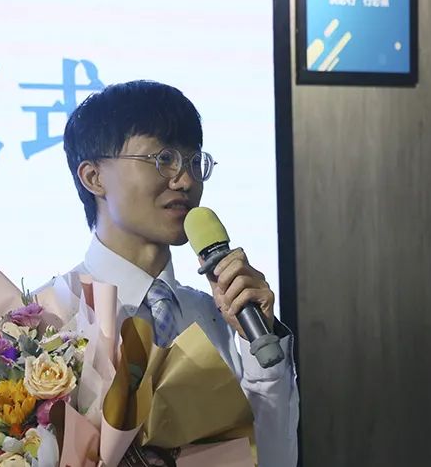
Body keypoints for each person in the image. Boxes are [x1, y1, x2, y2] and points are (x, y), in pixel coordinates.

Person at [55, 80, 299, 466]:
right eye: (163, 158)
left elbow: (273, 460)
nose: (185, 180)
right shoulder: (50, 318)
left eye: (193, 161)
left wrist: (260, 352)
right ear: (93, 177)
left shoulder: (221, 318)